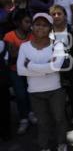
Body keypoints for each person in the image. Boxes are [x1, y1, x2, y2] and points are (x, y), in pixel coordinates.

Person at [17, 12, 68, 151]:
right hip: (35, 92)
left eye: (45, 25)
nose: (41, 28)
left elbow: (56, 66)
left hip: (55, 90)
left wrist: (30, 65)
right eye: (37, 24)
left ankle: (62, 143)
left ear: (50, 28)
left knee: (59, 119)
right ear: (32, 27)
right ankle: (44, 147)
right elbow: (20, 70)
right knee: (43, 123)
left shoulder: (57, 45)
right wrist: (47, 67)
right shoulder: (24, 46)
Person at [3, 10, 37, 135]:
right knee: (20, 95)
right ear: (18, 23)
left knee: (30, 93)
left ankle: (30, 113)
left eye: (30, 22)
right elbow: (11, 56)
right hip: (15, 71)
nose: (30, 25)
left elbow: (34, 53)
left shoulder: (32, 35)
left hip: (29, 71)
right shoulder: (9, 36)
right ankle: (23, 118)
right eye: (27, 22)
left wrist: (20, 54)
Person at [49, 4, 73, 125]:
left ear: (65, 16)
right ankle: (62, 117)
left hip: (71, 65)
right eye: (53, 14)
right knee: (58, 93)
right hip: (54, 67)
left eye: (59, 13)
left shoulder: (72, 29)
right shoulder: (47, 31)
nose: (56, 16)